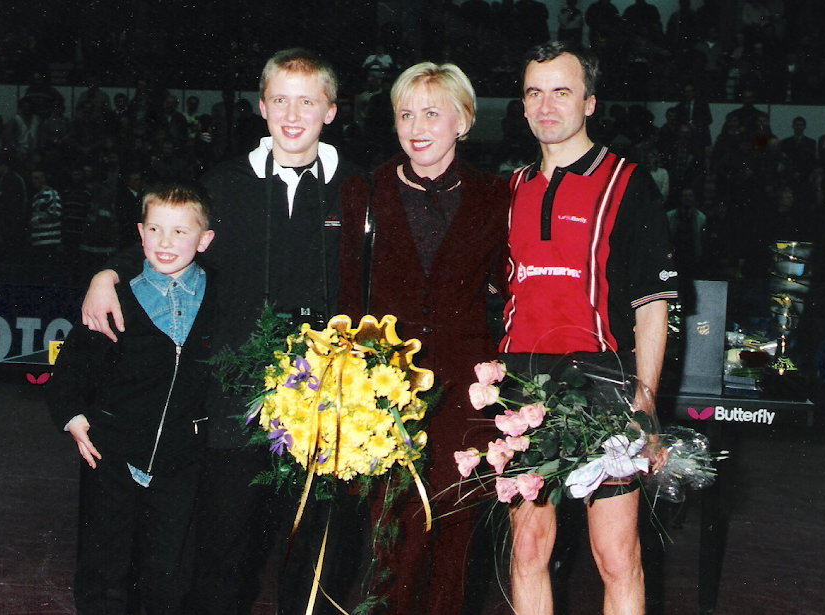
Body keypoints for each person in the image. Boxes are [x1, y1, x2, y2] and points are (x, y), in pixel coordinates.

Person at [80, 48, 360, 615]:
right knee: (220, 555)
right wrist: (109, 271)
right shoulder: (225, 183)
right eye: (280, 99)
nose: (292, 113)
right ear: (261, 106)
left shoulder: (358, 189)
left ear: (331, 110)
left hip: (327, 402)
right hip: (234, 404)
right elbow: (170, 238)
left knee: (315, 554)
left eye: (307, 101)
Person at [501, 41, 677, 615]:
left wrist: (645, 400)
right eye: (534, 92)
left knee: (615, 555)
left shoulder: (629, 183)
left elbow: (652, 304)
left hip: (601, 382)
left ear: (590, 102)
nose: (546, 105)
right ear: (523, 106)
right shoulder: (508, 190)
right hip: (522, 381)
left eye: (562, 91)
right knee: (528, 547)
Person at [338, 61, 508, 615]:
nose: (417, 125)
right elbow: (347, 296)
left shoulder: (497, 196)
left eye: (433, 112)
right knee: (395, 528)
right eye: (406, 113)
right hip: (387, 386)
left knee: (456, 521)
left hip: (469, 385)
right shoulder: (364, 191)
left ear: (464, 120)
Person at [47, 182, 217, 614]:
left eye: (181, 232)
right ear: (140, 233)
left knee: (169, 575)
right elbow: (70, 370)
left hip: (184, 460)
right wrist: (74, 417)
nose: (166, 242)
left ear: (205, 239)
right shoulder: (114, 298)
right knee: (103, 572)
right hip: (113, 452)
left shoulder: (222, 297)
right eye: (156, 229)